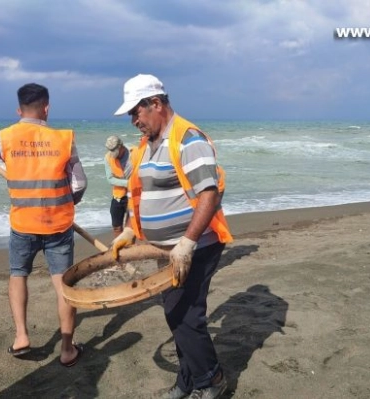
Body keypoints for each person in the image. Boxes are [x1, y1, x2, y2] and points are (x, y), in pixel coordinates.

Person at [111, 74, 233, 399]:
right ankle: (188, 381)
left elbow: (210, 194)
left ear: (157, 103)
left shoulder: (188, 139)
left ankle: (212, 379)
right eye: (130, 115)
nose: (134, 120)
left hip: (198, 245)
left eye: (136, 111)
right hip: (163, 249)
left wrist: (187, 243)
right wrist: (128, 231)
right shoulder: (145, 146)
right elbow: (140, 193)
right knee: (178, 315)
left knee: (183, 314)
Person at [0, 83, 86, 367]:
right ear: (47, 107)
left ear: (19, 110)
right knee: (63, 284)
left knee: (18, 274)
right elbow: (80, 183)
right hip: (58, 225)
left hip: (23, 225)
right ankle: (67, 349)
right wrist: (68, 202)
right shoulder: (64, 138)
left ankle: (21, 337)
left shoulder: (3, 138)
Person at [103, 135, 132, 239]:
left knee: (132, 228)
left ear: (121, 146)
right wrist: (128, 183)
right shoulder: (107, 157)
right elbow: (110, 179)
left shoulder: (133, 153)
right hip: (118, 197)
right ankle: (119, 250)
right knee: (116, 227)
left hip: (133, 195)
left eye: (114, 150)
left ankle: (131, 251)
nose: (112, 154)